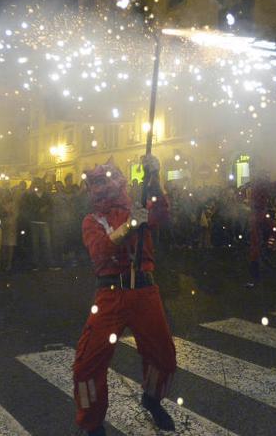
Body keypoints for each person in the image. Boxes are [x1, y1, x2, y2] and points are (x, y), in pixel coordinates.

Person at [72, 155, 175, 436]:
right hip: (110, 294)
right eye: (96, 183)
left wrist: (154, 176)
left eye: (105, 181)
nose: (101, 188)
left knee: (164, 358)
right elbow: (101, 251)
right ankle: (91, 424)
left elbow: (162, 214)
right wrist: (131, 225)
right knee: (86, 365)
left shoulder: (137, 204)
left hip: (144, 291)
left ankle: (152, 398)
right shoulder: (91, 220)